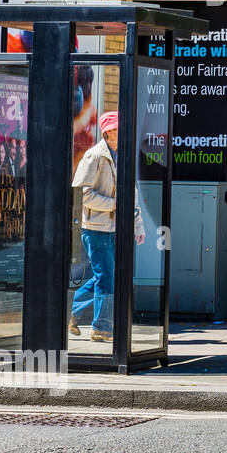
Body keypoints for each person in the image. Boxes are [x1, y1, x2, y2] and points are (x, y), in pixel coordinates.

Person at [70, 112, 144, 342]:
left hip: (114, 227)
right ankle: (100, 328)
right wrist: (114, 205)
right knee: (106, 277)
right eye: (118, 130)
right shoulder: (94, 156)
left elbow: (131, 195)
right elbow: (84, 195)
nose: (122, 134)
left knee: (106, 275)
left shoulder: (122, 155)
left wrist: (137, 226)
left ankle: (70, 312)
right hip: (95, 228)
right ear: (107, 132)